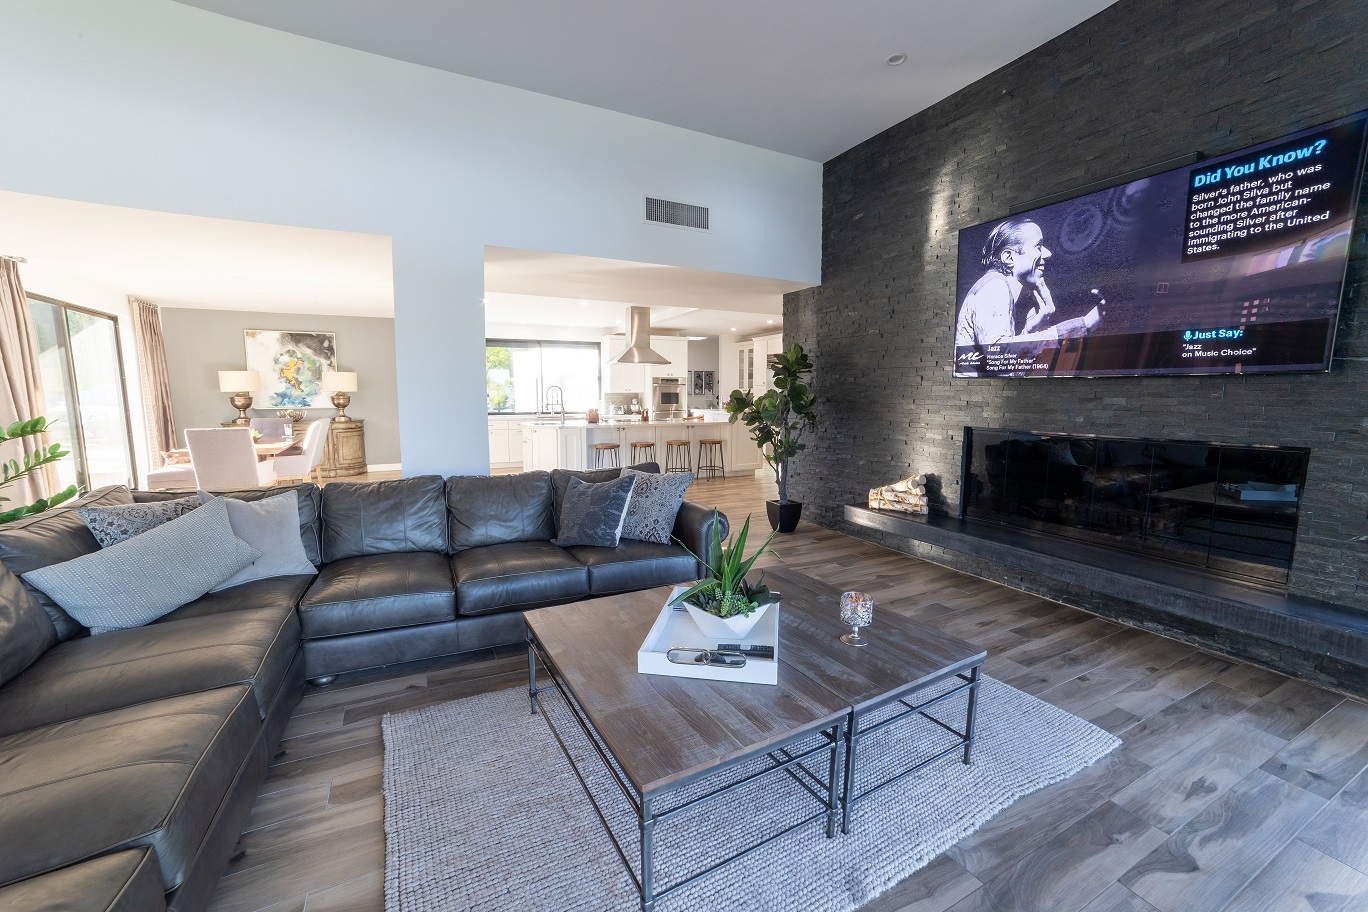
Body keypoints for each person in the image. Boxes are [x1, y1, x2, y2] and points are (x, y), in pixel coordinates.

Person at [955, 218, 1101, 368]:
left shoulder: (996, 284)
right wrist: (1082, 325)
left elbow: (1001, 363)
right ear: (1009, 257)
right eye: (1038, 246)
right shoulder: (995, 285)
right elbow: (996, 355)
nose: (1048, 254)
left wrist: (1030, 330)